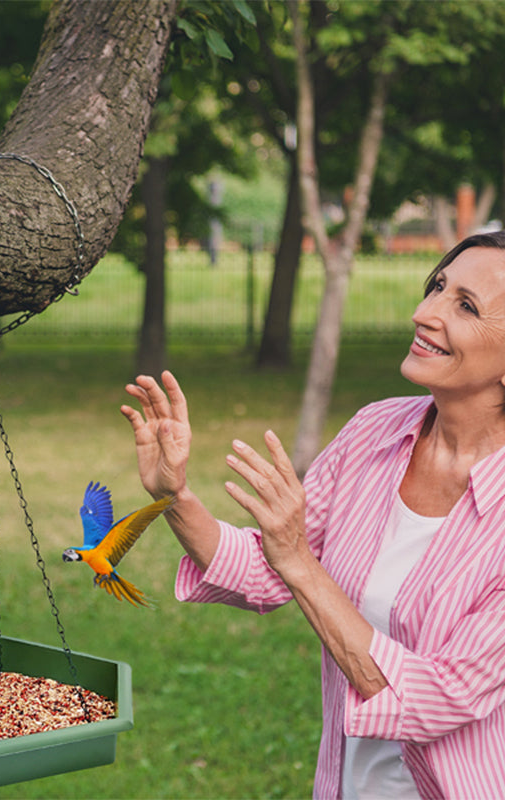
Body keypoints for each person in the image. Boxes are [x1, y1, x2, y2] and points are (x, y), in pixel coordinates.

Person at [120, 231, 505, 799]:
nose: (425, 313)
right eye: (437, 288)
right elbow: (266, 569)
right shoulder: (375, 430)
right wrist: (174, 495)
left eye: (465, 306)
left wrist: (297, 559)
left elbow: (430, 697)